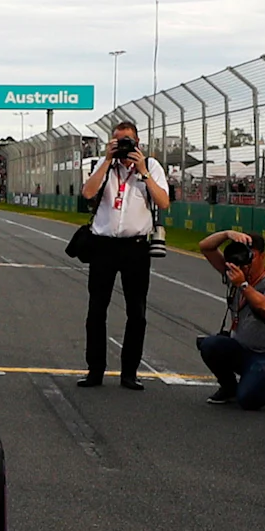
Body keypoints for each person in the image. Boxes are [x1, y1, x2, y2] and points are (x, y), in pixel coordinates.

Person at [76, 117, 168, 387]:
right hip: (104, 245)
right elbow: (87, 193)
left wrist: (143, 172)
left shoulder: (151, 166)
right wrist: (107, 159)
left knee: (136, 312)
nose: (124, 146)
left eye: (128, 141)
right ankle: (95, 370)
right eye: (118, 141)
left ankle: (130, 372)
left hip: (136, 246)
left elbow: (164, 202)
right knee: (96, 310)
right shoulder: (103, 165)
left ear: (138, 142)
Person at [194, 231, 265, 408]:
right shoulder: (236, 273)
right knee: (209, 345)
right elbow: (206, 247)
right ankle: (229, 388)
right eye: (243, 254)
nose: (245, 261)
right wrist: (227, 234)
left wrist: (243, 286)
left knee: (249, 400)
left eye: (251, 255)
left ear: (262, 256)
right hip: (241, 349)